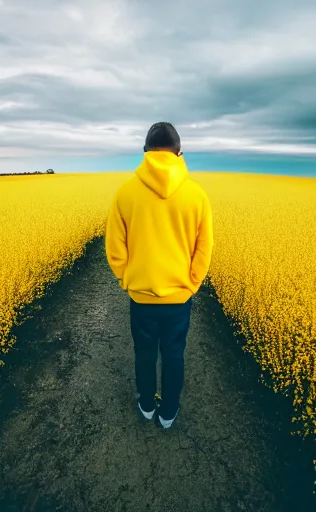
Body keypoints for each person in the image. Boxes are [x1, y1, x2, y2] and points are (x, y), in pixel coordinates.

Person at [105, 121, 214, 429]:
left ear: (145, 153)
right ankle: (168, 412)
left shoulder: (125, 194)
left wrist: (127, 278)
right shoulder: (197, 195)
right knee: (174, 354)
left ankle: (146, 404)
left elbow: (114, 246)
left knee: (144, 353)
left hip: (141, 294)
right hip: (180, 295)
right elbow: (204, 247)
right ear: (179, 152)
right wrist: (191, 283)